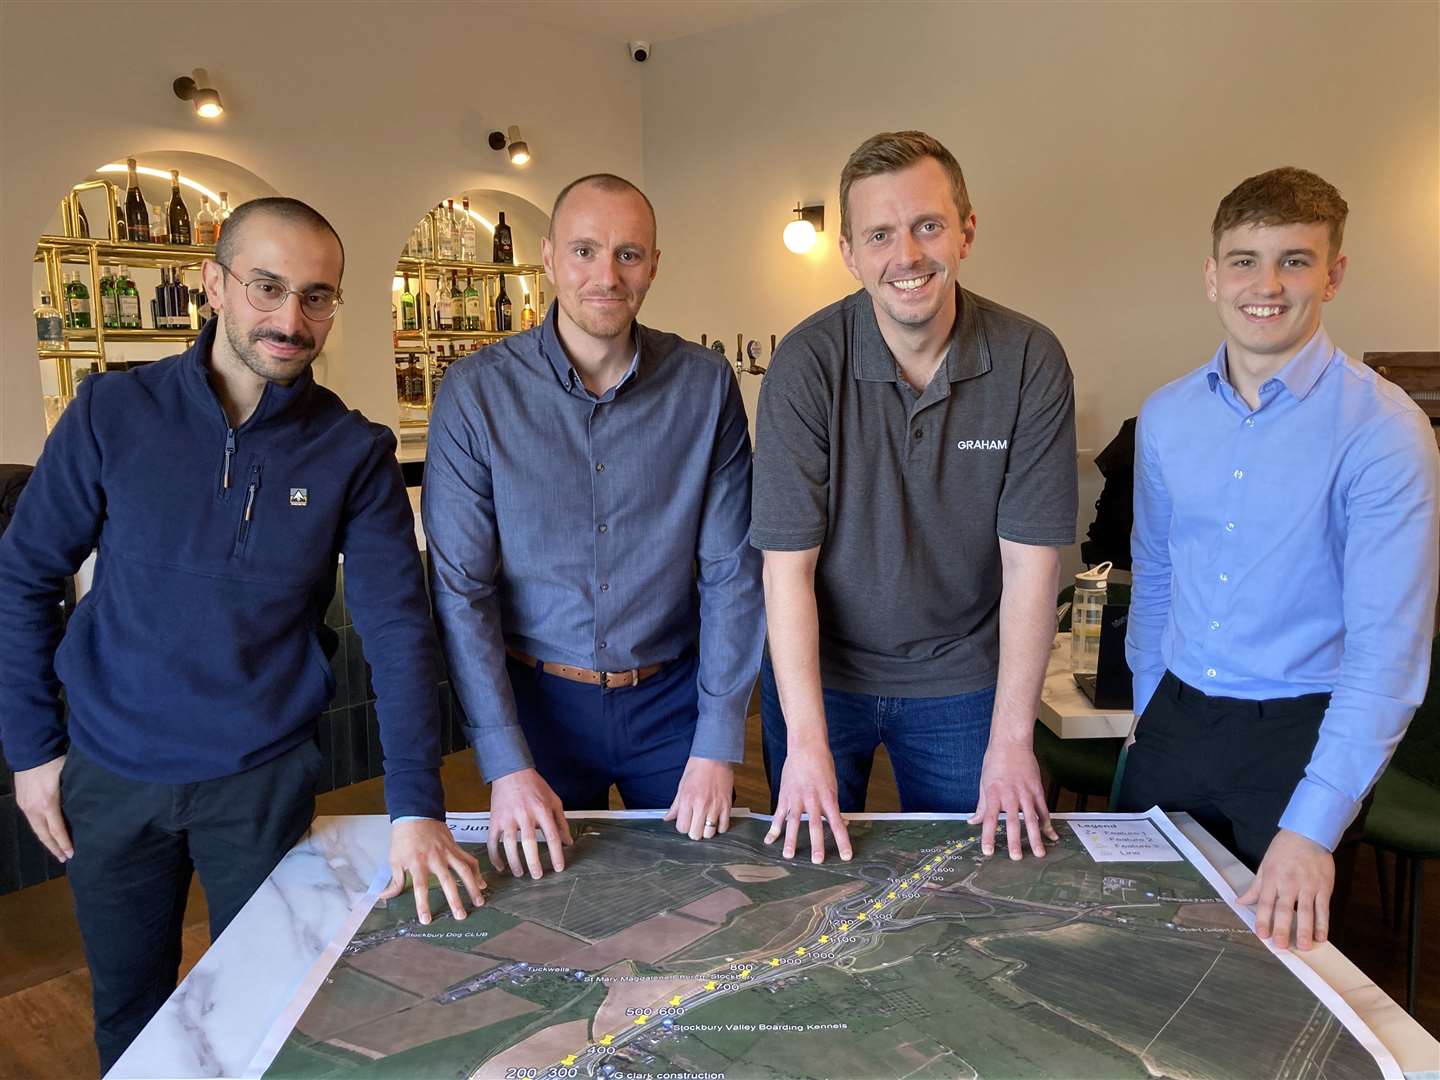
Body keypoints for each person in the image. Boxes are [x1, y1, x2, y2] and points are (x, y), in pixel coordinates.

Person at [0, 197, 483, 1073]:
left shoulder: (352, 447)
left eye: (316, 296)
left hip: (258, 783)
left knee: (270, 1008)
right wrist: (32, 749)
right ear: (214, 285)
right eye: (266, 287)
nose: (290, 320)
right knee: (131, 1017)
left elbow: (397, 629)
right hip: (109, 777)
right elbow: (23, 573)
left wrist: (418, 803)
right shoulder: (113, 410)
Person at [1121, 166, 1440, 952]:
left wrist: (1313, 823)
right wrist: (1146, 706)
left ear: (1333, 274)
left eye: (1294, 260)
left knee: (1268, 986)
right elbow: (1155, 573)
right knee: (1134, 946)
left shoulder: (1386, 432)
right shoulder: (1164, 418)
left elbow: (1388, 650)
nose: (1266, 284)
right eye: (1244, 260)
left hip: (1302, 735)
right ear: (1211, 275)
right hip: (1177, 720)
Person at [424, 174, 764, 881]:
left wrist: (717, 742)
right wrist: (503, 759)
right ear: (548, 258)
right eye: (585, 251)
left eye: (629, 254)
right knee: (544, 927)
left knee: (701, 907)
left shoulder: (705, 385)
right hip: (538, 710)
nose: (606, 276)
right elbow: (461, 590)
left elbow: (731, 570)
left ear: (655, 264)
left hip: (674, 704)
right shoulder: (477, 392)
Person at [752, 131, 1079, 864]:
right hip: (822, 681)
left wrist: (1013, 741)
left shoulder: (1030, 358)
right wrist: (805, 749)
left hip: (963, 677)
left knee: (977, 879)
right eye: (879, 234)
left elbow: (1031, 568)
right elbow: (786, 570)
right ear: (849, 253)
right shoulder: (806, 364)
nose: (906, 255)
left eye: (927, 225)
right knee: (810, 879)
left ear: (966, 230)